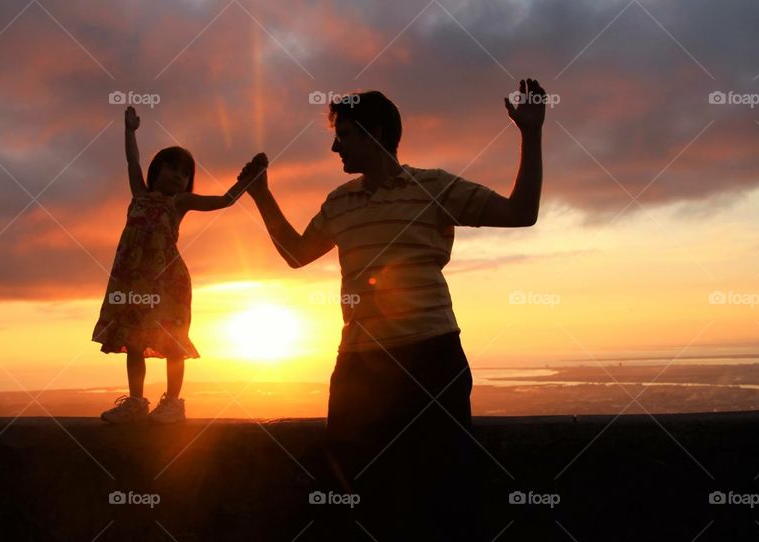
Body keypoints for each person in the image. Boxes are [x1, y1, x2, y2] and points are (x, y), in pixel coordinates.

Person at [240, 80, 546, 539]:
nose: (333, 146)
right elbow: (297, 253)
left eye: (343, 134)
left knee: (439, 492)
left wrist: (531, 134)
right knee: (350, 490)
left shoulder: (434, 187)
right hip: (360, 362)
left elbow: (521, 212)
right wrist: (260, 194)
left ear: (375, 133)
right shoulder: (339, 202)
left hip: (431, 357)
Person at [93, 106, 250, 424]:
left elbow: (223, 201)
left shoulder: (178, 203)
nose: (179, 177)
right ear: (156, 170)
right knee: (134, 342)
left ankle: (173, 403)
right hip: (132, 282)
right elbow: (132, 161)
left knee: (172, 341)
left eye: (185, 174)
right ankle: (136, 402)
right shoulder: (139, 193)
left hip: (168, 282)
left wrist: (247, 180)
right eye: (173, 169)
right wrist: (130, 131)